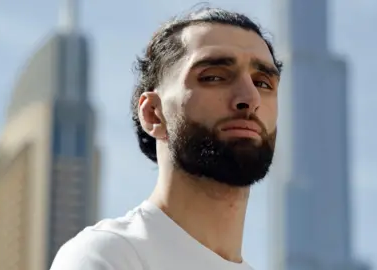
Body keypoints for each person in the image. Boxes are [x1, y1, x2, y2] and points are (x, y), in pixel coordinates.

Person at [50, 6, 282, 270]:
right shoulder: (110, 255)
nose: (250, 99)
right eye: (214, 77)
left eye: (263, 83)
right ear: (152, 114)